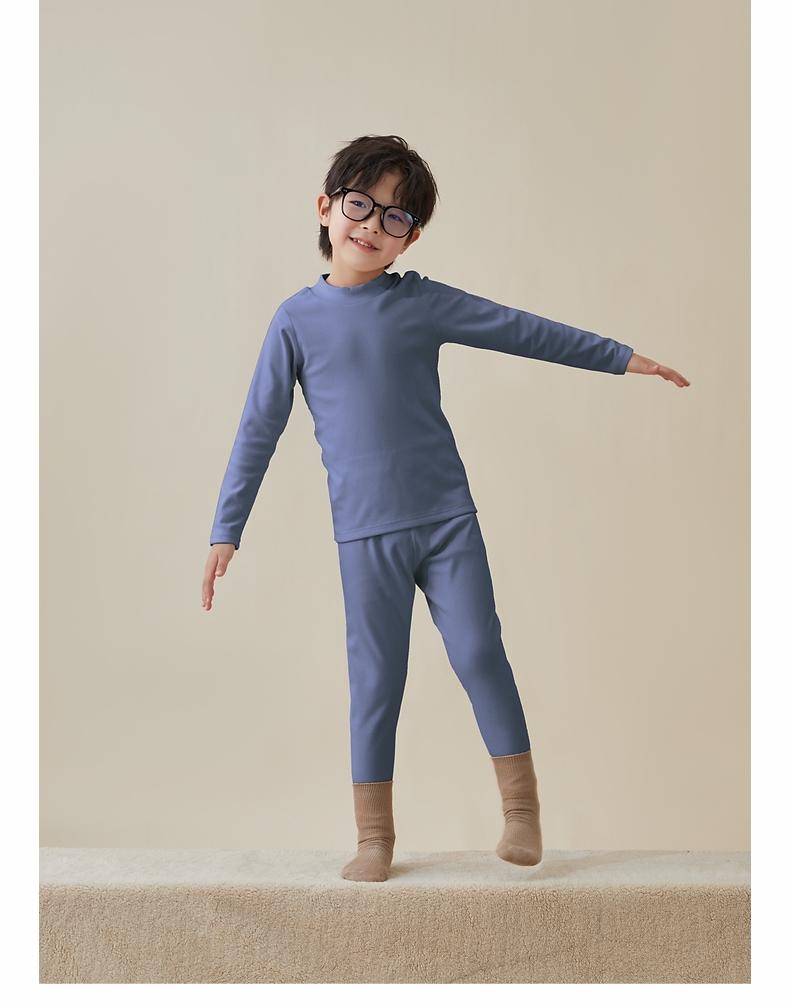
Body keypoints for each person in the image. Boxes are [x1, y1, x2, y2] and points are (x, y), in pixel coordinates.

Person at [201, 135, 690, 883]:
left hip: (445, 522)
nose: (373, 225)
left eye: (394, 216)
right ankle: (374, 837)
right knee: (376, 681)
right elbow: (257, 429)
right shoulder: (295, 320)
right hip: (365, 534)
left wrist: (621, 357)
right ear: (326, 208)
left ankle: (521, 811)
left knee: (478, 652)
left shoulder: (421, 302)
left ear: (412, 237)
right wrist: (225, 530)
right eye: (360, 205)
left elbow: (522, 329)